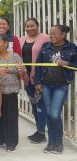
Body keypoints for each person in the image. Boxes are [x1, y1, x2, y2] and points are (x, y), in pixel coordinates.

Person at [35, 25, 77, 154]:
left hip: (61, 85)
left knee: (54, 113)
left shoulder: (72, 48)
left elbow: (76, 65)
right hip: (46, 84)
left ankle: (58, 143)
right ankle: (51, 143)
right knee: (48, 114)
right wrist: (37, 82)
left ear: (63, 34)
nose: (52, 36)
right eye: (50, 33)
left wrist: (67, 63)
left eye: (55, 34)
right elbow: (38, 65)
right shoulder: (46, 46)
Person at [0, 34, 25, 152]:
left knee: (11, 117)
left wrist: (20, 71)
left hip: (10, 91)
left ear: (6, 43)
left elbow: (22, 75)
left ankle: (11, 142)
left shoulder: (15, 57)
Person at [19, 18, 50, 143]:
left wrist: (40, 76)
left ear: (38, 26)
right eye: (27, 26)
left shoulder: (45, 38)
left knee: (41, 105)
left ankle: (42, 133)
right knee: (34, 104)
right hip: (26, 78)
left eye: (32, 26)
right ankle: (39, 130)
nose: (30, 28)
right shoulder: (21, 40)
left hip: (39, 79)